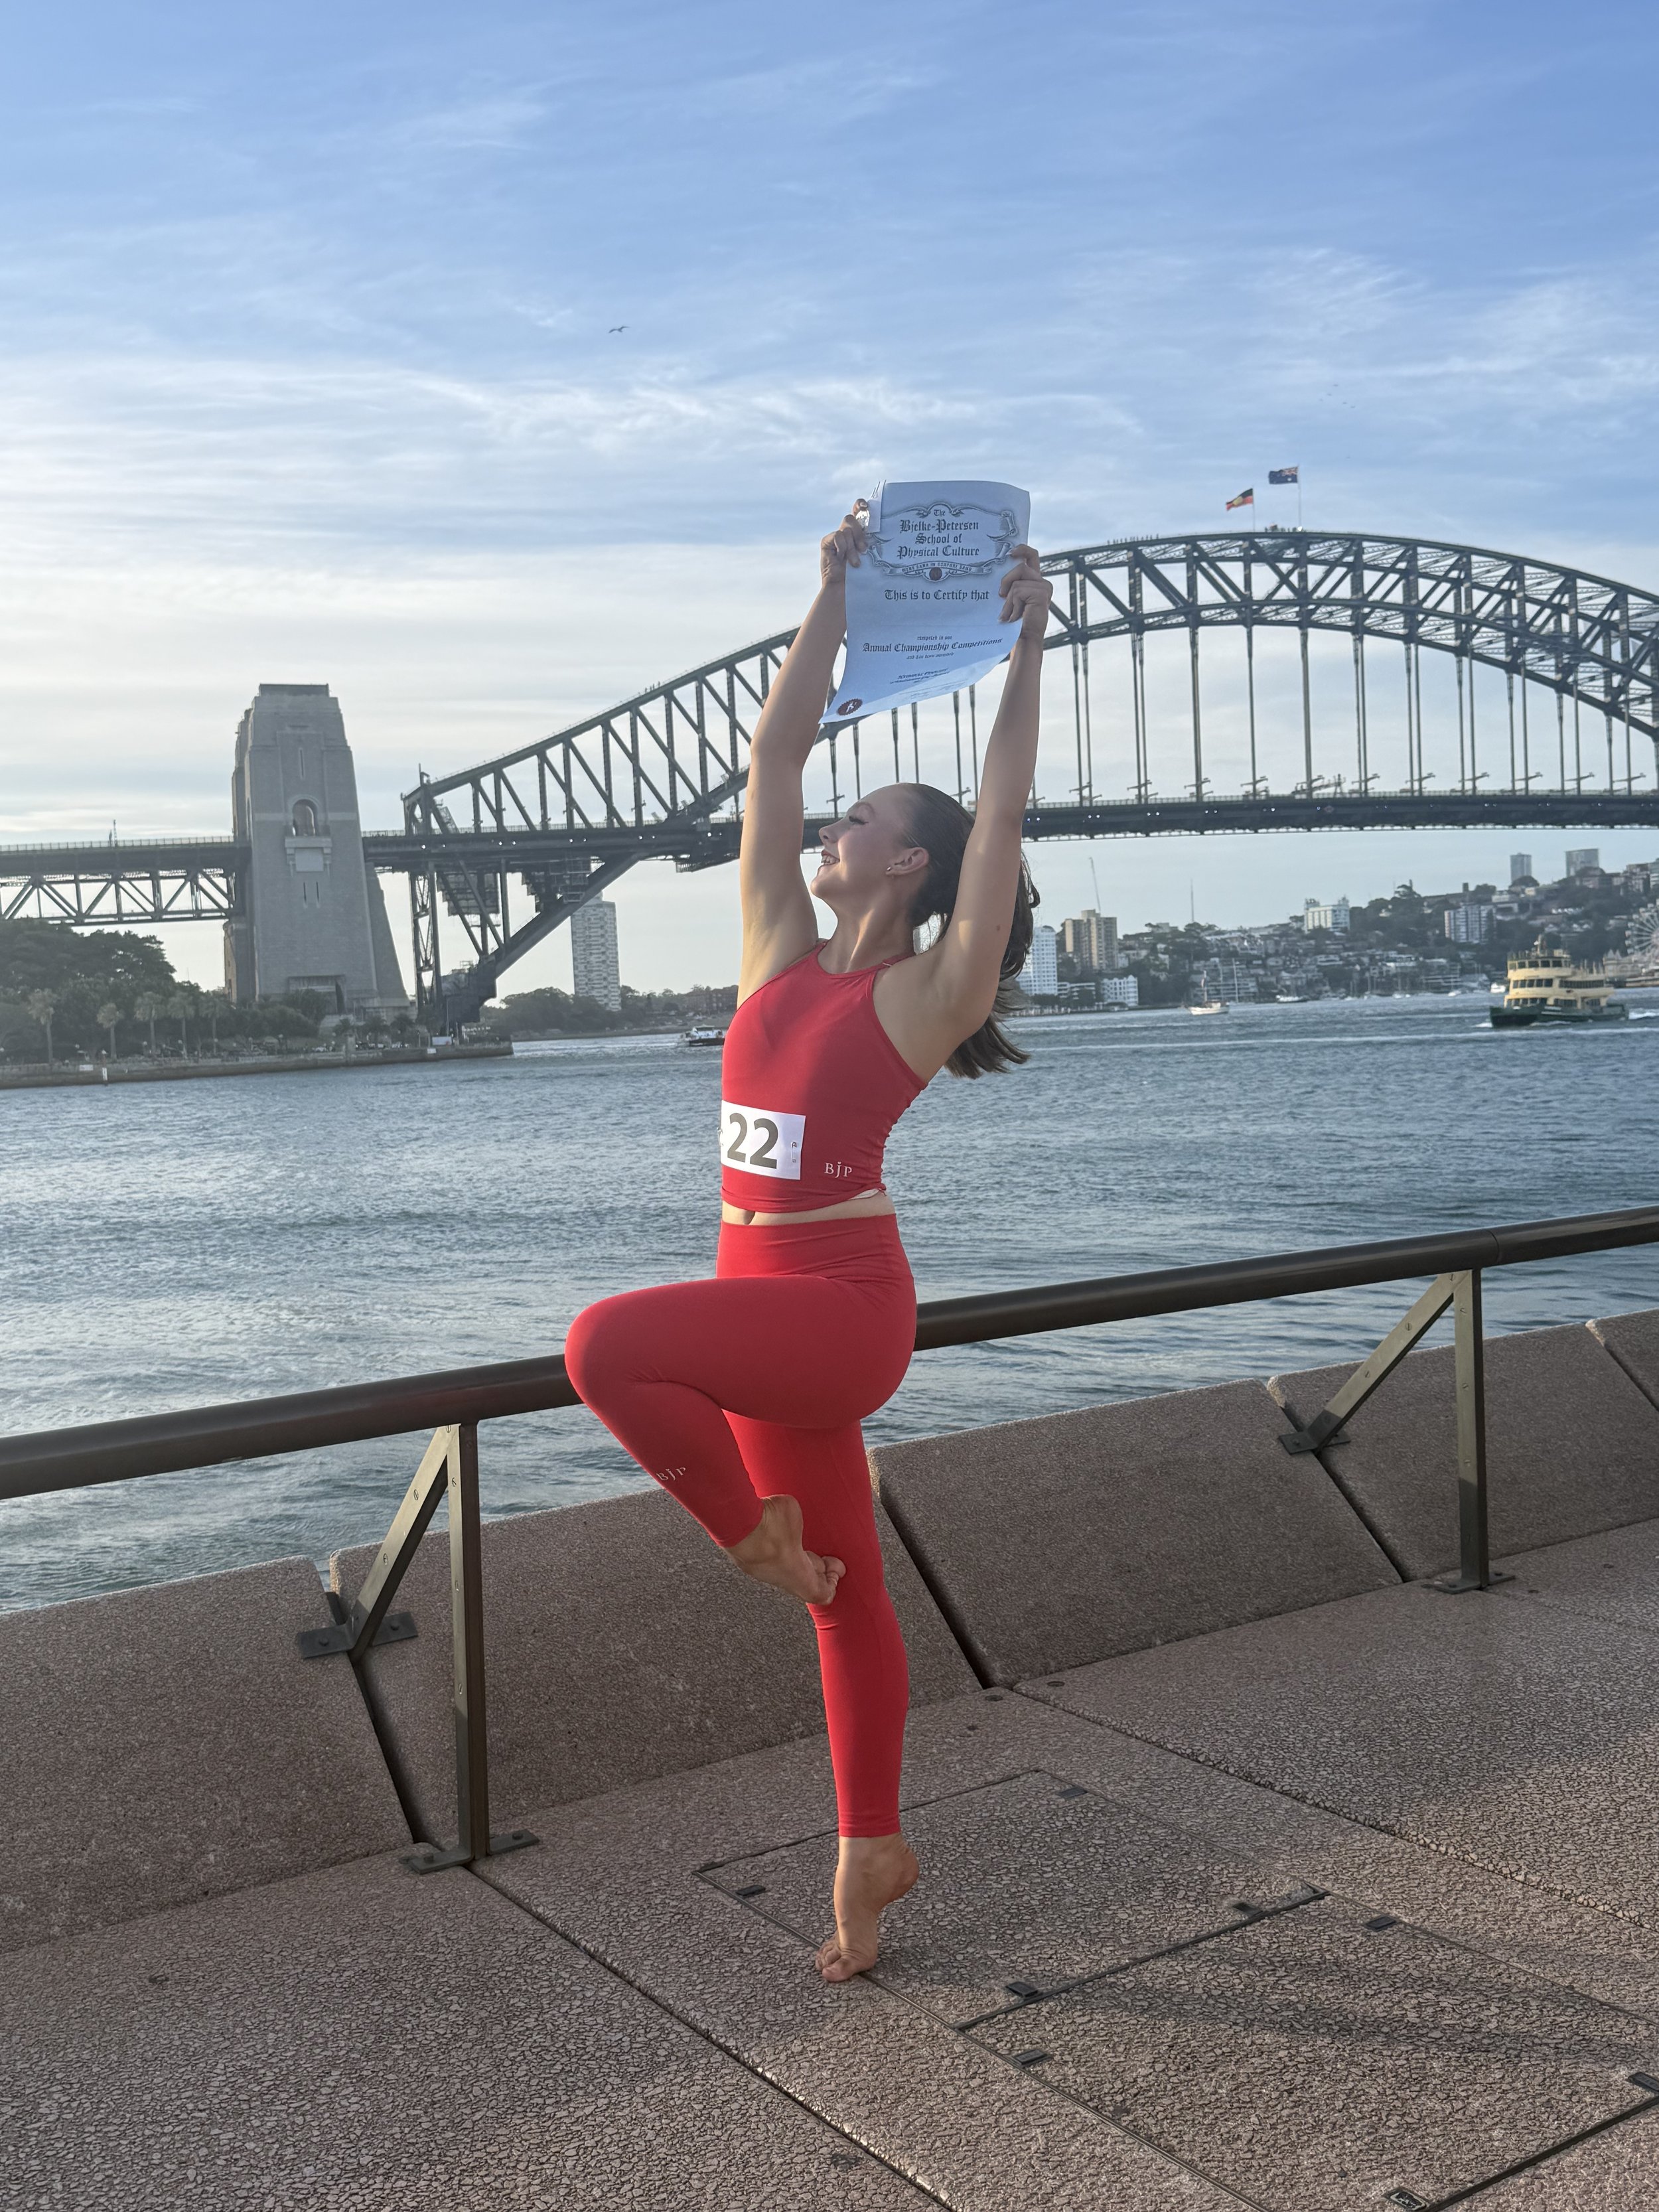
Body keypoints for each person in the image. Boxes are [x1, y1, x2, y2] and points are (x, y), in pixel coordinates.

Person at [563, 512, 1051, 1980]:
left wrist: (1031, 646)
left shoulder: (929, 988)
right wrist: (826, 595)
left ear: (902, 862)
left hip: (837, 1309)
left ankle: (744, 1536)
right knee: (842, 1596)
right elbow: (769, 762)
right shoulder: (776, 950)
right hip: (751, 1296)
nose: (826, 827)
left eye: (857, 819)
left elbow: (1005, 813)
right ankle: (869, 1851)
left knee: (603, 1343)